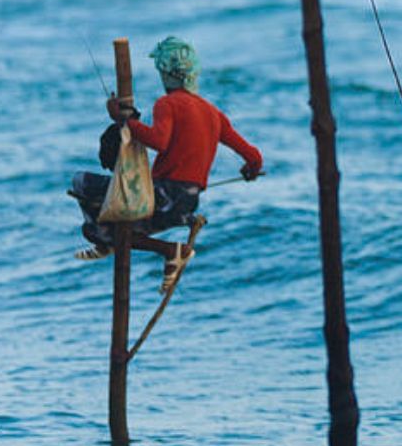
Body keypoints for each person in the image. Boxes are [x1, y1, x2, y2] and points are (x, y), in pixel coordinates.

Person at [70, 37, 263, 291]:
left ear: (166, 73)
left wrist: (123, 120)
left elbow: (159, 141)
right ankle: (117, 242)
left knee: (81, 183)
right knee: (114, 231)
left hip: (162, 196)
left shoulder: (167, 104)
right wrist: (249, 171)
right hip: (186, 204)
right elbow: (254, 157)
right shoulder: (214, 114)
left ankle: (165, 249)